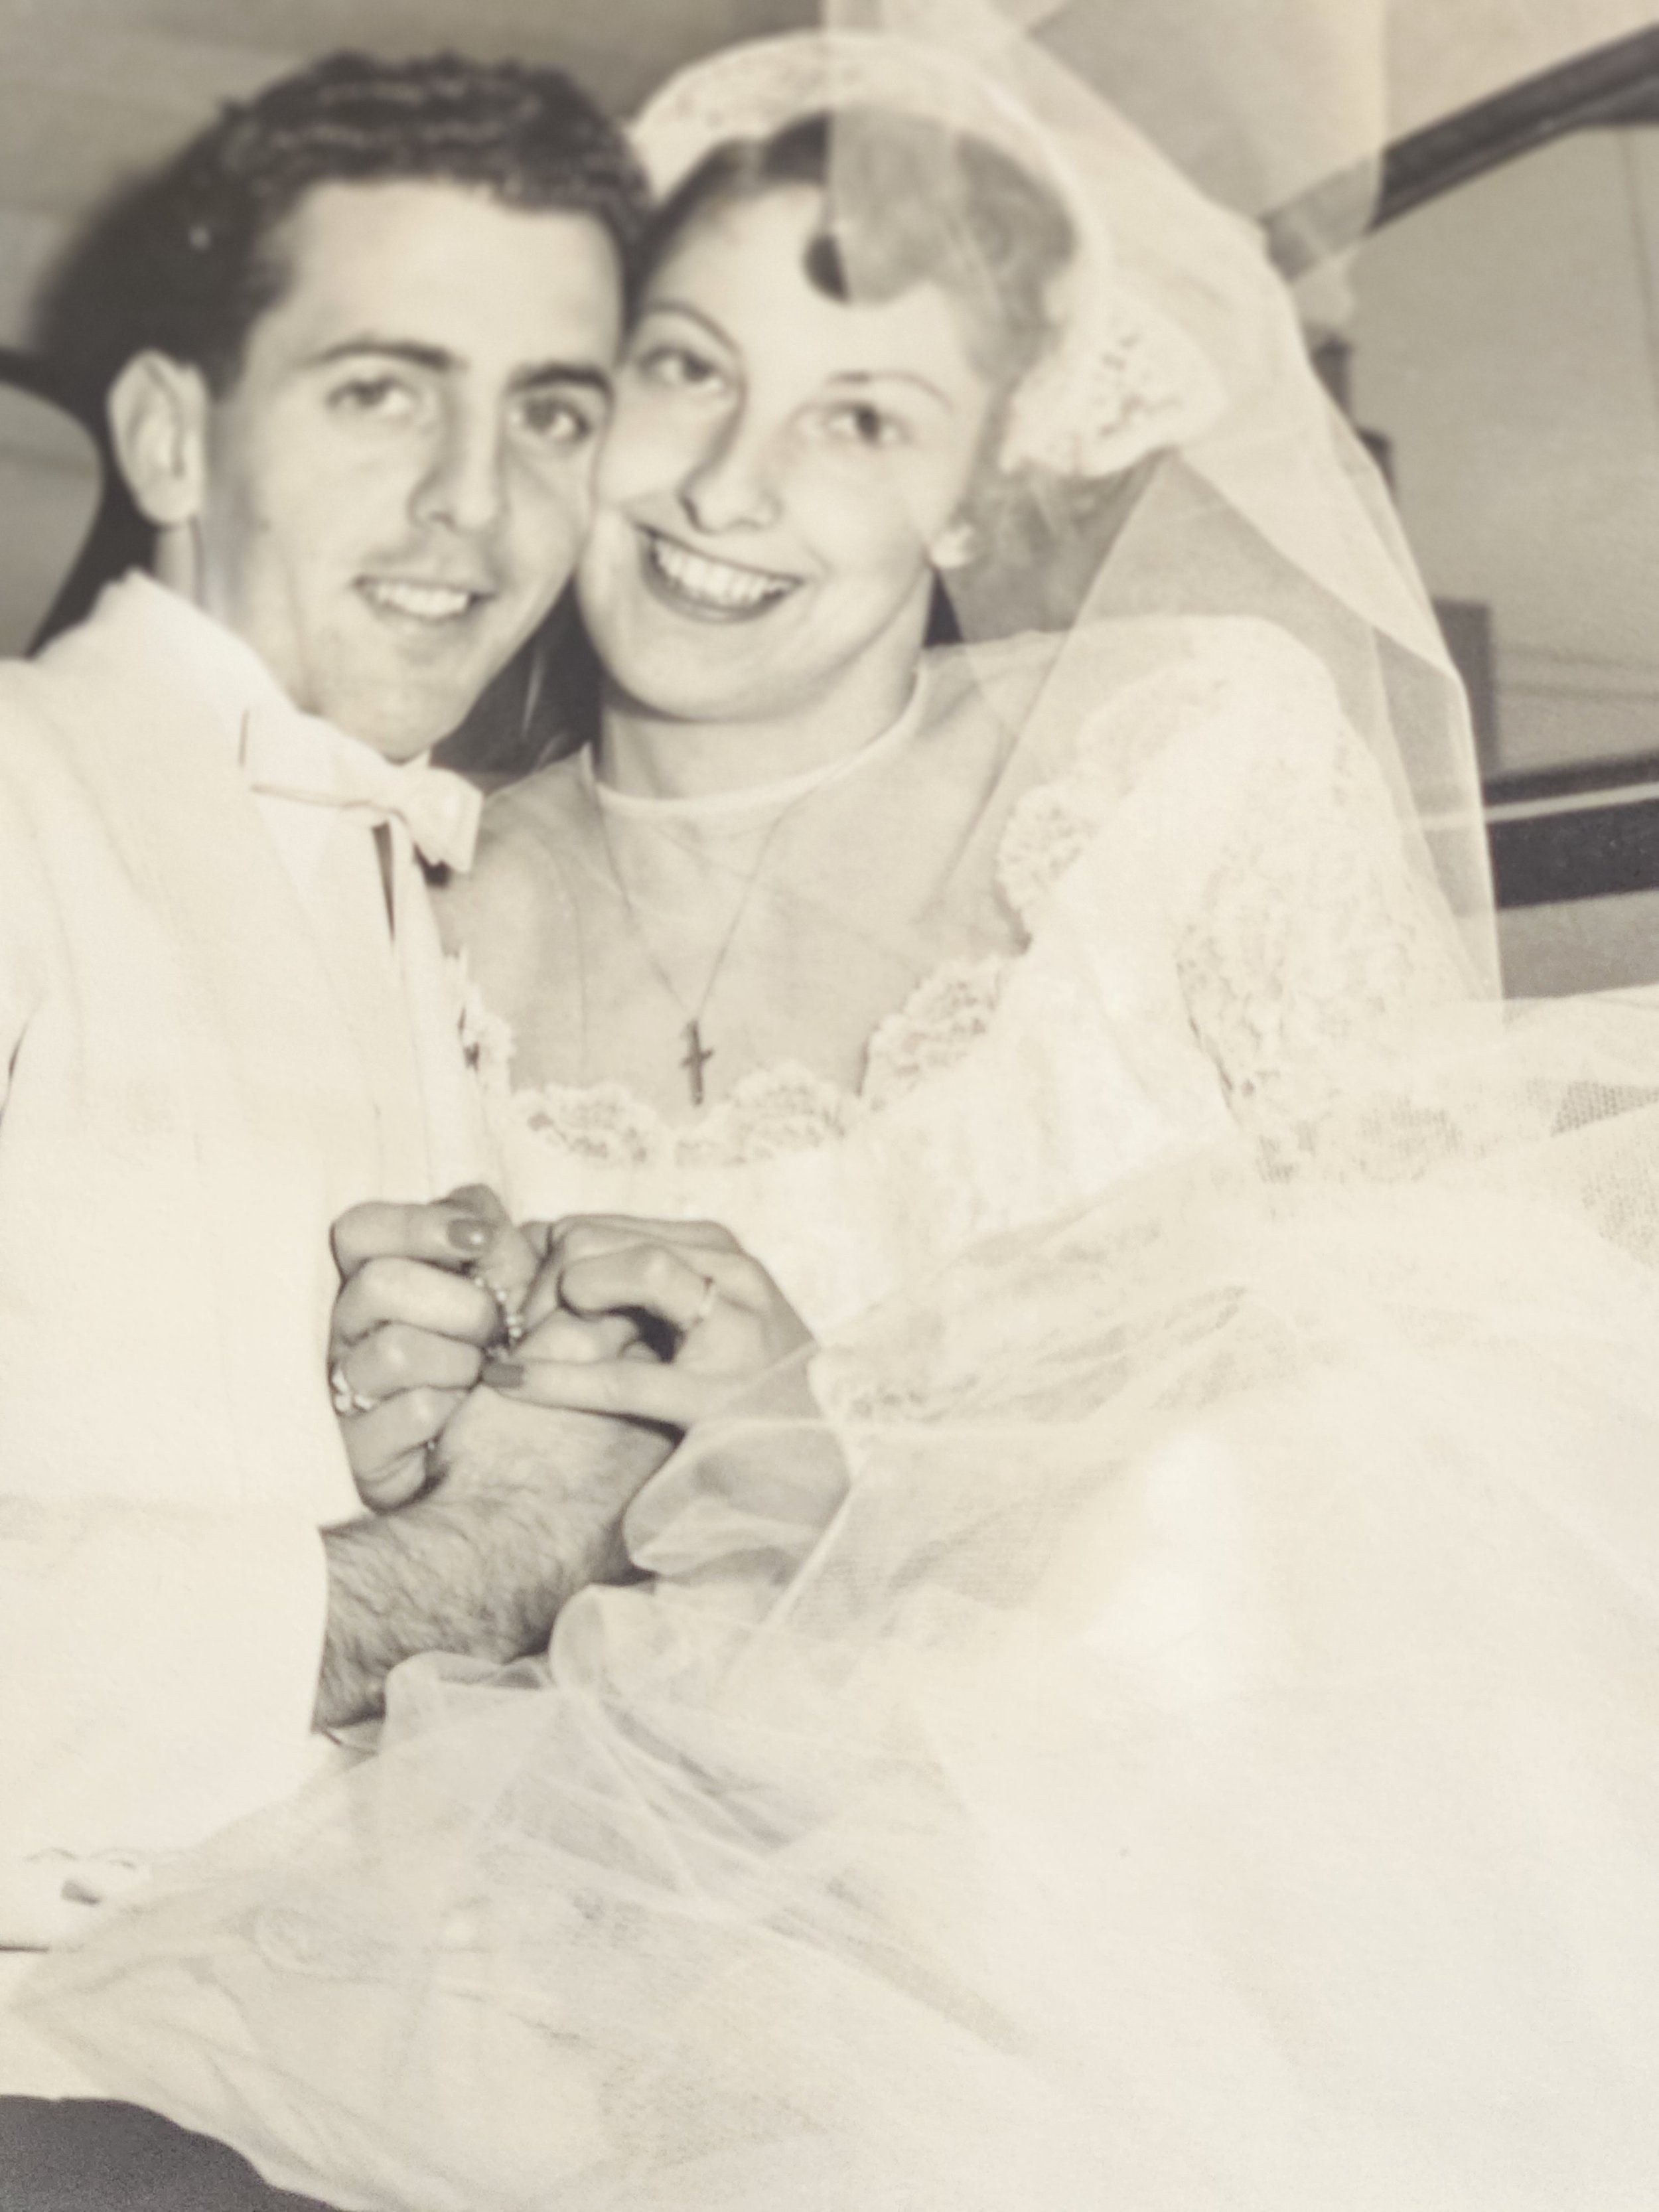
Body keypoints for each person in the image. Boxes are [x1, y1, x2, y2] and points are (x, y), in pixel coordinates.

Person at [23, 9, 1659, 2207]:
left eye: (861, 414)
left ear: (986, 480)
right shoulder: (417, 881)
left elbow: (1465, 1406)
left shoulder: (1187, 761)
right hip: (599, 1951)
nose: (729, 489)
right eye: (686, 373)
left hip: (1234, 1884)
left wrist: (847, 1447)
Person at [0, 49, 672, 2083]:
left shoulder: (410, 899)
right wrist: (460, 1568)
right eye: (381, 390)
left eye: (549, 411)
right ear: (169, 438)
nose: (477, 504)